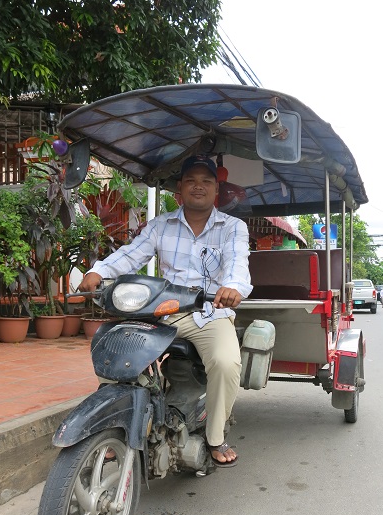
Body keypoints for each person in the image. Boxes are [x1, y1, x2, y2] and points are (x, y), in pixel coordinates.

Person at [79, 155, 253, 467]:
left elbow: (237, 263)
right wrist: (98, 271)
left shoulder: (232, 228)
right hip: (164, 310)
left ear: (216, 191)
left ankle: (215, 437)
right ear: (179, 189)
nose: (198, 186)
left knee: (226, 363)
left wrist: (233, 288)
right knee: (120, 351)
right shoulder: (161, 226)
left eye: (206, 181)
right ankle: (110, 429)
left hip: (209, 314)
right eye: (191, 181)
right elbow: (131, 255)